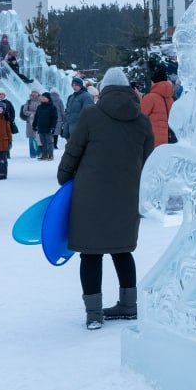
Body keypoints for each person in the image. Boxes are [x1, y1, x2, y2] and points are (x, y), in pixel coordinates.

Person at [57, 67, 155, 330]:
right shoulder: (142, 121)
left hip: (91, 195)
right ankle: (129, 305)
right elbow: (149, 160)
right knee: (122, 250)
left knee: (91, 253)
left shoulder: (91, 115)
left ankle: (94, 313)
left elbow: (73, 151)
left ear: (104, 90)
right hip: (127, 195)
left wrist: (64, 177)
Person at [140, 67, 176, 148]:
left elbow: (139, 117)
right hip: (168, 141)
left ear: (154, 82)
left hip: (152, 142)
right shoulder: (171, 99)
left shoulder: (150, 98)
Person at [63, 77, 94, 143]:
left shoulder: (86, 96)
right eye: (73, 85)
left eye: (76, 85)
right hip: (69, 127)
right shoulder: (72, 97)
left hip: (79, 128)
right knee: (70, 148)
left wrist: (82, 127)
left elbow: (88, 113)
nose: (74, 87)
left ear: (80, 85)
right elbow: (67, 112)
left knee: (77, 148)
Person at [32, 92, 60, 160]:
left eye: (45, 97)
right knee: (43, 142)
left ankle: (50, 155)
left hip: (48, 127)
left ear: (49, 98)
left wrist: (53, 127)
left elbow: (54, 118)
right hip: (40, 127)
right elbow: (36, 117)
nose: (43, 98)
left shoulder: (52, 107)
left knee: (49, 142)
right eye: (42, 97)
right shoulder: (39, 107)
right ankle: (44, 155)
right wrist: (34, 125)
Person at [21, 89, 42, 158]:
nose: (34, 93)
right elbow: (24, 111)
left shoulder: (42, 100)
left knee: (39, 138)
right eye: (33, 92)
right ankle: (32, 154)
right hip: (30, 122)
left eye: (35, 92)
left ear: (38, 93)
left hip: (39, 121)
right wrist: (32, 114)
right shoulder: (28, 101)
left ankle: (39, 153)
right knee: (31, 138)